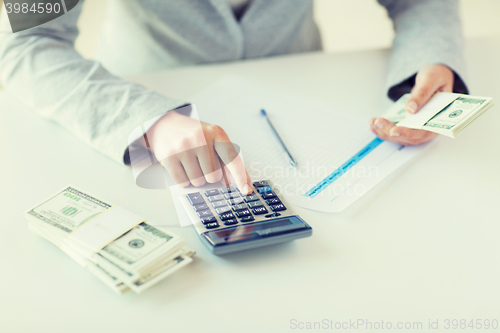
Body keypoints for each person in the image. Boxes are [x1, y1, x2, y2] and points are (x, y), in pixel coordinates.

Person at [0, 0, 468, 195]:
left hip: (304, 94)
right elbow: (23, 43)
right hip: (136, 105)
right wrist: (150, 121)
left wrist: (429, 62)